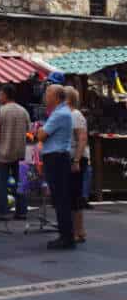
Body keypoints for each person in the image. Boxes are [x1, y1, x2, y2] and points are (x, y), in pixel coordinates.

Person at [37, 84, 75, 250]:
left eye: (48, 94)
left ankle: (66, 237)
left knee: (61, 199)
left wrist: (39, 130)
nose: (45, 97)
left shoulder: (59, 114)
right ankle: (66, 235)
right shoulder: (61, 112)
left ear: (56, 97)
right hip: (57, 158)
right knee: (60, 198)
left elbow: (42, 135)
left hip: (57, 158)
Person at [0, 84, 31, 221]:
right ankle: (21, 211)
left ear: (5, 95)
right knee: (20, 182)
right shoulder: (23, 111)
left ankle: (4, 212)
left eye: (0, 94)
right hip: (20, 152)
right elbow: (29, 129)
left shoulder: (1, 111)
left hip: (4, 152)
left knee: (3, 183)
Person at [64, 86, 88, 244]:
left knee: (75, 195)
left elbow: (81, 138)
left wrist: (76, 160)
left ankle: (78, 231)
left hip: (76, 159)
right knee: (73, 196)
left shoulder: (75, 115)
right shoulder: (69, 115)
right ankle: (78, 231)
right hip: (73, 158)